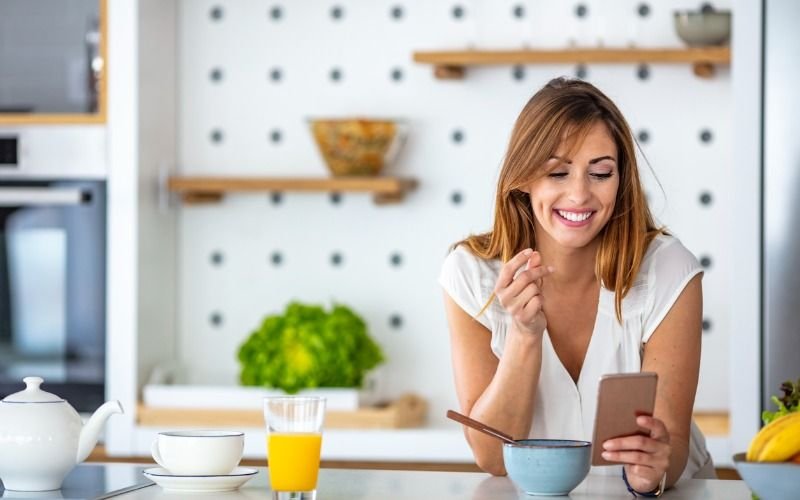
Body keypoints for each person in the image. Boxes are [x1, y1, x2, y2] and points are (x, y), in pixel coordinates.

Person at [439, 77, 714, 495]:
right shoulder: (471, 275)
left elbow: (671, 446)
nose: (580, 194)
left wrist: (651, 472)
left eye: (601, 172)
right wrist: (525, 336)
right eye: (558, 172)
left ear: (620, 179)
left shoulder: (668, 270)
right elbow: (493, 458)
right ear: (523, 178)